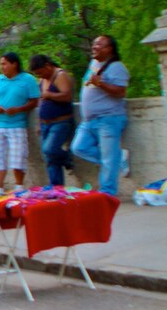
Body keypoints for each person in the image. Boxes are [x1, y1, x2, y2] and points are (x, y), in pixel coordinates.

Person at [71, 35, 130, 196]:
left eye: (99, 45)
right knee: (78, 148)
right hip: (89, 120)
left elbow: (120, 92)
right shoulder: (95, 63)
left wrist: (100, 84)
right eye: (94, 44)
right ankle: (119, 158)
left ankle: (107, 194)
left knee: (109, 159)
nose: (94, 47)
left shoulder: (117, 67)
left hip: (108, 119)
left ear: (109, 49)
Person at [0, 52, 40, 196]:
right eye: (1, 64)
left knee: (18, 155)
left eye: (4, 64)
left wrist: (19, 109)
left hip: (17, 124)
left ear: (14, 64)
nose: (2, 67)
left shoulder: (28, 80)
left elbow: (34, 101)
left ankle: (19, 186)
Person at [30, 54, 76, 187]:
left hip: (60, 122)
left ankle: (67, 158)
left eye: (41, 72)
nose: (41, 76)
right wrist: (39, 123)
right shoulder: (42, 81)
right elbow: (40, 103)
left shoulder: (60, 75)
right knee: (49, 159)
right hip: (45, 123)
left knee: (49, 150)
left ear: (48, 66)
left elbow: (67, 96)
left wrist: (50, 94)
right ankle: (56, 186)